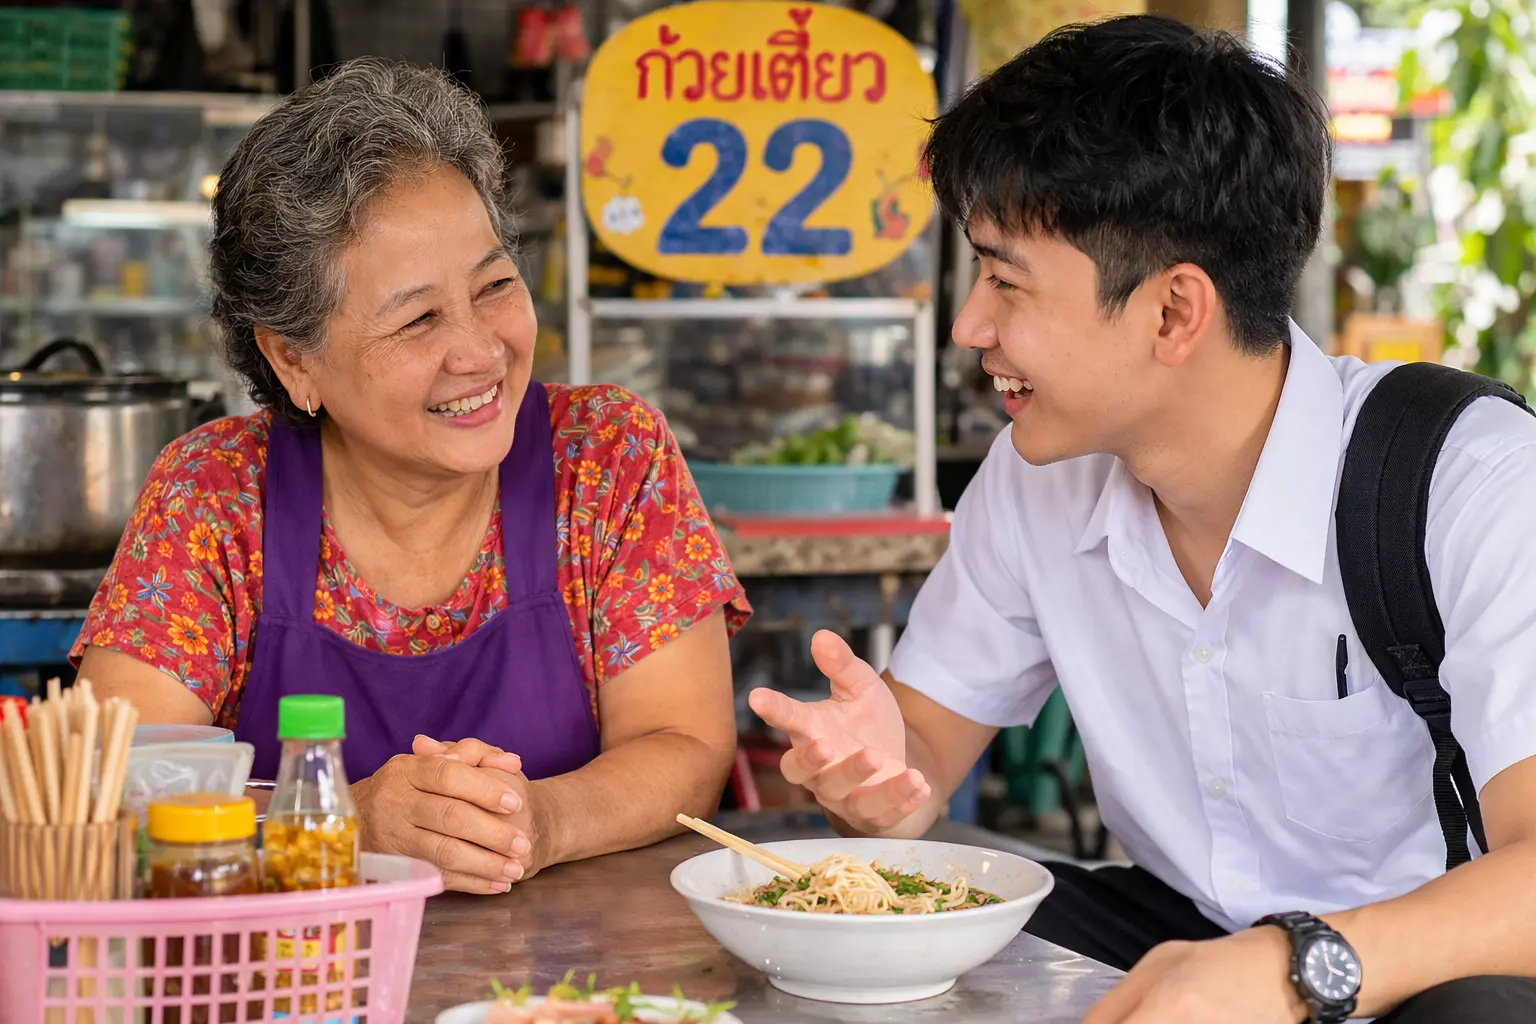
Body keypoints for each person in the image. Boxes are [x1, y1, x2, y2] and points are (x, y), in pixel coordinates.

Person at [750, 16, 1536, 1024]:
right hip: (1184, 936)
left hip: (1424, 965)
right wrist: (879, 771)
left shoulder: (1467, 481)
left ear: (1174, 313)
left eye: (1004, 279)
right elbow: (920, 749)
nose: (969, 328)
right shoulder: (1039, 475)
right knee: (919, 956)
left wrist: (1291, 966)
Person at [72, 59, 750, 895]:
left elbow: (684, 743)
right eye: (419, 318)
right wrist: (340, 822)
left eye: (495, 284)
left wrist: (538, 822)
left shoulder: (607, 457)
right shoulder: (213, 495)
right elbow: (111, 795)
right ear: (294, 361)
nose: (479, 352)